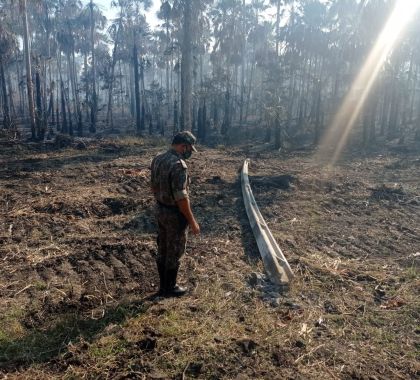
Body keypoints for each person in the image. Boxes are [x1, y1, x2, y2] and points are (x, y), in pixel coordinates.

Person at [150, 131, 200, 297]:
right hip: (174, 215)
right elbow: (181, 198)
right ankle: (169, 288)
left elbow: (154, 186)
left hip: (159, 209)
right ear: (182, 145)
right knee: (174, 250)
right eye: (189, 148)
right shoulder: (179, 165)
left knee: (162, 248)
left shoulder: (158, 159)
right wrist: (192, 221)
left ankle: (163, 286)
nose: (190, 152)